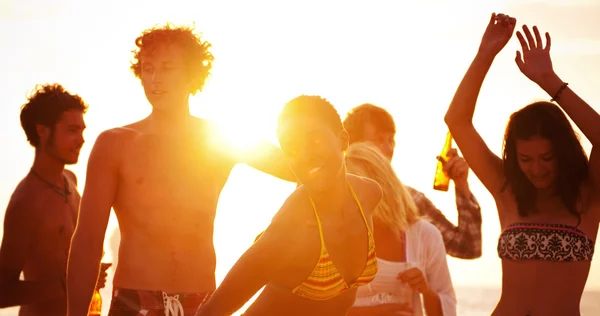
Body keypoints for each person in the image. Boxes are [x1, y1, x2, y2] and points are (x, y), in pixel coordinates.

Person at [66, 24, 296, 316]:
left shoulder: (220, 139)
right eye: (147, 68)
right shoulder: (115, 144)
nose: (155, 79)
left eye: (167, 68)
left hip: (204, 305)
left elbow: (300, 169)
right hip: (134, 304)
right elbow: (87, 240)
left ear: (191, 74)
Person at [445, 13, 598, 316]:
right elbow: (457, 121)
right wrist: (485, 53)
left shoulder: (588, 195)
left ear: (564, 154)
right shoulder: (507, 189)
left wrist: (549, 82)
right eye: (526, 159)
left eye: (547, 158)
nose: (537, 169)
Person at [194, 95, 383, 316]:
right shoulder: (289, 230)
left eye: (315, 141)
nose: (305, 156)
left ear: (343, 140)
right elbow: (211, 311)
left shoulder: (368, 195)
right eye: (292, 148)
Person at [0, 84, 109, 316]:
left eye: (82, 131)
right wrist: (69, 282)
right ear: (42, 131)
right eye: (72, 130)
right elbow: (2, 291)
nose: (81, 140)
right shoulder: (26, 201)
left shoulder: (70, 180)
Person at [343, 104, 482, 259]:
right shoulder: (330, 196)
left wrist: (461, 185)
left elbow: (467, 247)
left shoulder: (409, 200)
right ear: (351, 146)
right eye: (378, 140)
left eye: (391, 140)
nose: (389, 149)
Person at [345, 142, 456, 316]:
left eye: (356, 191)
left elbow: (448, 308)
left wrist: (425, 291)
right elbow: (313, 309)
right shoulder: (333, 236)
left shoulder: (424, 235)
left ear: (383, 187)